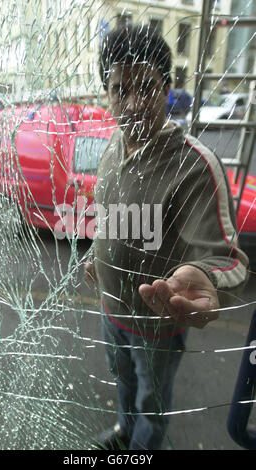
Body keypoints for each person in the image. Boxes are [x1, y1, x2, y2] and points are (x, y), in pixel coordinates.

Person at [85, 24, 248, 450]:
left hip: (156, 327)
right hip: (111, 311)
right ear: (107, 93)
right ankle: (124, 433)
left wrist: (203, 276)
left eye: (147, 88)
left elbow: (228, 259)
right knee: (123, 383)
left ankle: (143, 449)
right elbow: (108, 219)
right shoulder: (112, 147)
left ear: (167, 89)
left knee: (152, 401)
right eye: (120, 89)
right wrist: (96, 256)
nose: (133, 104)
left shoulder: (194, 164)